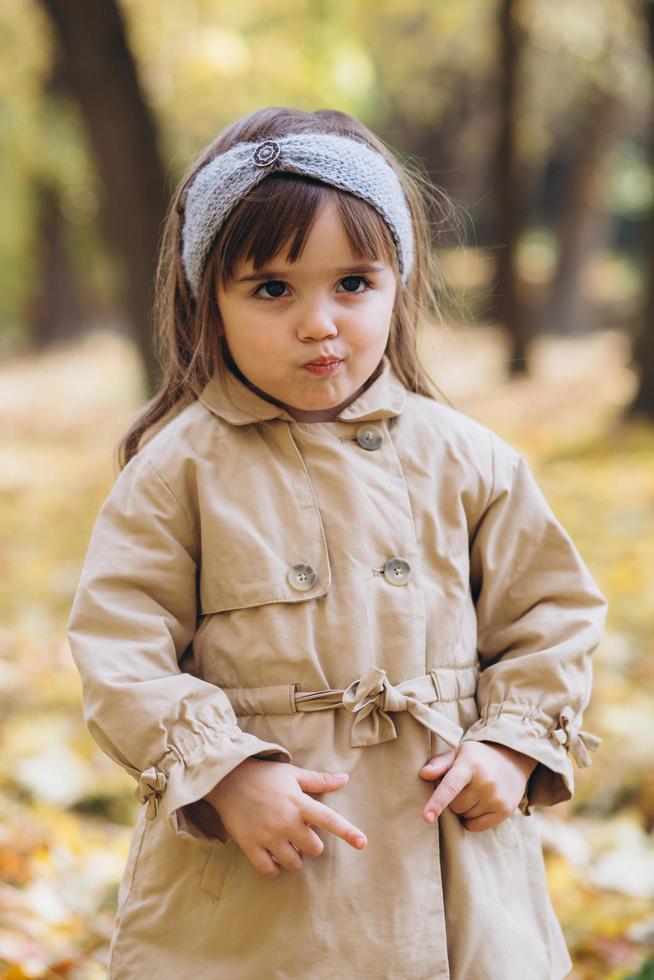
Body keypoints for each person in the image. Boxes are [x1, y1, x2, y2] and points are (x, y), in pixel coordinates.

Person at [67, 106, 608, 980]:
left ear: (398, 280)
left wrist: (511, 744)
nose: (319, 322)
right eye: (273, 289)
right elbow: (118, 646)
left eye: (353, 283)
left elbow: (552, 612)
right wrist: (226, 773)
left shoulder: (467, 457)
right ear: (210, 300)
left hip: (452, 866)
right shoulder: (180, 471)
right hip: (264, 884)